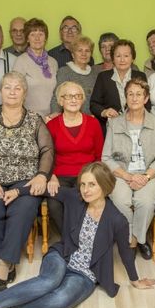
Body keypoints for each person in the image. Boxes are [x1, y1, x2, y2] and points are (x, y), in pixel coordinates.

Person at [0, 162, 155, 308]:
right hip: (62, 255)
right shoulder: (74, 198)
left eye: (92, 185)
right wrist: (17, 191)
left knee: (58, 302)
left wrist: (135, 280)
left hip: (85, 274)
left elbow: (125, 253)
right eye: (83, 184)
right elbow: (42, 189)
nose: (85, 190)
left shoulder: (117, 220)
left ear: (105, 186)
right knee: (49, 281)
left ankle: (1, 298)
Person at [0, 72, 54, 288]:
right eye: (7, 87)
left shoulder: (34, 119)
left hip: (24, 180)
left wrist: (42, 176)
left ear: (24, 93)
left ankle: (4, 262)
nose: (12, 91)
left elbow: (47, 150)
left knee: (21, 212)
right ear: (0, 91)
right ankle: (5, 259)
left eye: (17, 88)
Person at [102, 79, 155, 259]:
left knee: (145, 202)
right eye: (131, 94)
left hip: (149, 175)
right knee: (121, 201)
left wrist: (145, 177)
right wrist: (128, 176)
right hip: (121, 174)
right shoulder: (115, 123)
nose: (134, 98)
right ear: (125, 97)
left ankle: (135, 240)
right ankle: (136, 239)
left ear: (146, 99)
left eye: (139, 94)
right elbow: (106, 158)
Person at [46, 81, 104, 231]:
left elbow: (99, 155)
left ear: (82, 100)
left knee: (84, 200)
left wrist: (95, 178)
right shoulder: (51, 125)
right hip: (60, 176)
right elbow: (46, 155)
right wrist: (51, 176)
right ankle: (70, 238)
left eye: (78, 96)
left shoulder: (93, 123)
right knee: (54, 204)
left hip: (87, 175)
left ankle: (83, 237)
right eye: (69, 96)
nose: (73, 100)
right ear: (61, 100)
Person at [90, 39, 149, 134]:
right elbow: (94, 104)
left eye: (126, 56)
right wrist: (104, 112)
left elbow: (147, 104)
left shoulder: (140, 76)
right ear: (113, 58)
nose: (122, 60)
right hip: (110, 129)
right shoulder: (103, 77)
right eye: (118, 56)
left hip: (136, 128)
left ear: (132, 58)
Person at [12, 18, 58, 118]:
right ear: (27, 38)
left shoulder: (53, 62)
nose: (37, 38)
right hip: (28, 118)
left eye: (41, 34)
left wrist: (54, 114)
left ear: (45, 38)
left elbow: (56, 92)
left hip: (51, 118)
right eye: (33, 34)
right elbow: (15, 93)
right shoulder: (21, 61)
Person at [49, 35, 99, 118]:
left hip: (92, 121)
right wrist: (55, 114)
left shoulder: (96, 73)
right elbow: (57, 97)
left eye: (87, 51)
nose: (84, 54)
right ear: (72, 54)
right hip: (70, 120)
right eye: (80, 50)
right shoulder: (65, 72)